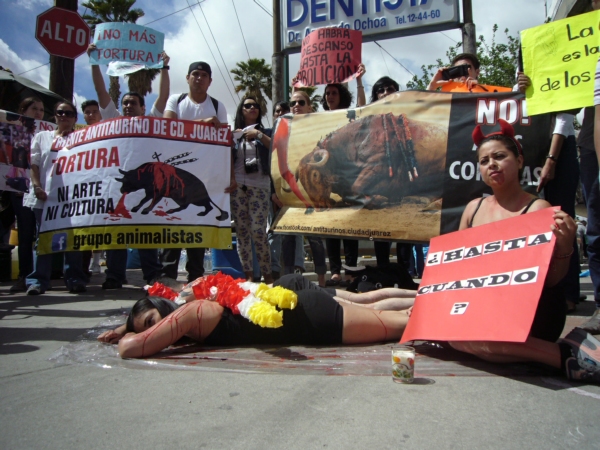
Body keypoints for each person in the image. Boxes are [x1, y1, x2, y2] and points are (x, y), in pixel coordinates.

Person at [449, 119, 600, 383]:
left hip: (532, 312)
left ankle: (563, 356)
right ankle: (560, 354)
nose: (491, 164)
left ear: (519, 161)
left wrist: (565, 246)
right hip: (484, 306)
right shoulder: (473, 209)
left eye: (499, 156)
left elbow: (551, 281)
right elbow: (458, 270)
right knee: (451, 333)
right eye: (484, 161)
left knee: (463, 338)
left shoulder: (539, 209)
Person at [97, 273, 416, 353]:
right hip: (304, 312)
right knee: (390, 312)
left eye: (151, 323)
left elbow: (131, 349)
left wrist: (130, 336)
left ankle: (441, 301)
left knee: (406, 323)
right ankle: (430, 295)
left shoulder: (191, 313)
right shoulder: (194, 306)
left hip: (310, 317)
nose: (155, 331)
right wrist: (127, 327)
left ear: (164, 309)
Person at [88, 44, 169, 289]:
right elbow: (101, 91)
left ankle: (152, 275)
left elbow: (163, 97)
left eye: (133, 102)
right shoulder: (113, 120)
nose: (128, 106)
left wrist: (165, 68)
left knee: (146, 230)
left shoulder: (151, 121)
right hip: (119, 185)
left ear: (143, 108)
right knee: (116, 230)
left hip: (144, 185)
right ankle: (114, 276)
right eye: (125, 102)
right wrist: (94, 61)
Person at [160, 61, 229, 283]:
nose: (199, 78)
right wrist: (202, 123)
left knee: (198, 227)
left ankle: (196, 279)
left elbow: (224, 144)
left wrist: (228, 176)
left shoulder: (218, 106)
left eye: (204, 75)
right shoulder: (176, 100)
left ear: (210, 81)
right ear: (188, 77)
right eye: (195, 74)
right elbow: (167, 127)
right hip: (174, 174)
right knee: (173, 222)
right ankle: (167, 277)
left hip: (203, 177)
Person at [25, 101, 88, 294]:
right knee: (43, 240)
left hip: (71, 200)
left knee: (73, 240)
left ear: (75, 118)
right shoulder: (42, 137)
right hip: (44, 198)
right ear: (55, 116)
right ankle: (37, 281)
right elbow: (34, 165)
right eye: (60, 112)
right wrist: (37, 187)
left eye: (68, 113)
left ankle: (75, 279)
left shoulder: (83, 140)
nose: (64, 116)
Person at [319, 70, 366, 287]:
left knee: (350, 224)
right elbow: (297, 118)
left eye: (334, 93)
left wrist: (359, 80)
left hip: (350, 174)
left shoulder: (350, 115)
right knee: (331, 226)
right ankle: (335, 272)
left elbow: (364, 108)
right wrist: (295, 88)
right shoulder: (319, 120)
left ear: (342, 96)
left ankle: (351, 270)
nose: (330, 96)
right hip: (330, 175)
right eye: (327, 93)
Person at [280, 91, 327, 286]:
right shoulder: (284, 130)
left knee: (315, 238)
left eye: (301, 102)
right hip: (290, 193)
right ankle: (288, 281)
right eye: (293, 103)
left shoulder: (318, 127)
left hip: (311, 190)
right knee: (288, 239)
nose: (296, 106)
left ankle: (322, 281)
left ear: (309, 107)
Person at [230, 96, 273, 283]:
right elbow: (226, 157)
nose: (253, 108)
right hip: (238, 185)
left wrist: (258, 135)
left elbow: (276, 147)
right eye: (248, 105)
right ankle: (248, 277)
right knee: (242, 232)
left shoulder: (266, 132)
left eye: (256, 105)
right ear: (242, 110)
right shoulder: (234, 135)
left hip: (260, 186)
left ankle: (268, 275)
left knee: (258, 230)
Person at [8, 97, 43, 292]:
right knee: (25, 234)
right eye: (34, 108)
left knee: (42, 235)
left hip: (43, 191)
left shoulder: (48, 134)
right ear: (23, 110)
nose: (38, 113)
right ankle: (25, 276)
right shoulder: (16, 134)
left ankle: (40, 276)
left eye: (41, 110)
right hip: (21, 189)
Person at [80, 99, 103, 276]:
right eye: (87, 112)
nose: (91, 115)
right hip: (84, 186)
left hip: (102, 185)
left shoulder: (109, 132)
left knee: (100, 228)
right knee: (84, 227)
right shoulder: (78, 134)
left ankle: (96, 263)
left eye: (94, 111)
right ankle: (83, 266)